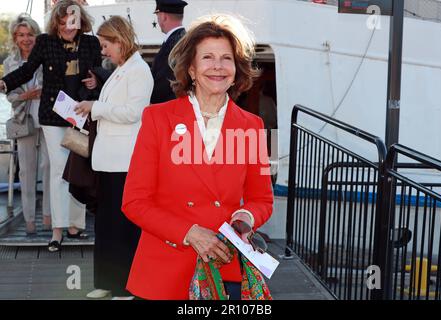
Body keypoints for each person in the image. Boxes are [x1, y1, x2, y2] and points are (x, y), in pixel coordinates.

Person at [121, 14, 274, 300]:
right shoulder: (157, 118)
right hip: (165, 269)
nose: (218, 66)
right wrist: (189, 232)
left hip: (223, 267)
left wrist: (245, 217)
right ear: (191, 68)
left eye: (226, 58)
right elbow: (134, 201)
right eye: (208, 57)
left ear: (236, 69)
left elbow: (262, 200)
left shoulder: (251, 125)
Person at [0, 0, 102, 252]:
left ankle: (75, 227)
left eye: (73, 20)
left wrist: (95, 80)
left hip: (80, 113)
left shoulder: (91, 43)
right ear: (56, 21)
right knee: (59, 170)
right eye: (63, 20)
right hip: (53, 115)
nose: (68, 25)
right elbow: (27, 70)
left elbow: (98, 72)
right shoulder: (45, 42)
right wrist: (4, 83)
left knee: (79, 168)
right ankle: (58, 230)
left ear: (80, 21)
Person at [74, 16, 153, 299]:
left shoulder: (139, 71)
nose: (103, 51)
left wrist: (95, 107)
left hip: (123, 161)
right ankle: (106, 282)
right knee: (106, 224)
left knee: (122, 227)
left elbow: (135, 113)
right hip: (108, 160)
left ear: (120, 40)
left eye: (106, 45)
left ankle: (125, 287)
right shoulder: (122, 69)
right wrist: (93, 108)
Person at [3, 14, 51, 235]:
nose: (26, 39)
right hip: (23, 120)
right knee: (26, 171)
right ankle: (30, 220)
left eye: (30, 34)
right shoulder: (9, 63)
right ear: (15, 37)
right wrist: (26, 96)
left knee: (49, 168)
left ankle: (50, 216)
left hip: (48, 118)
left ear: (36, 36)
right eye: (21, 35)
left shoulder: (47, 57)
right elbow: (9, 95)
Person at [150, 0, 187, 103]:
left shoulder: (173, 44)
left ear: (163, 17)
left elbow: (162, 84)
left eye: (158, 16)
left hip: (168, 107)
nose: (158, 20)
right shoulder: (184, 39)